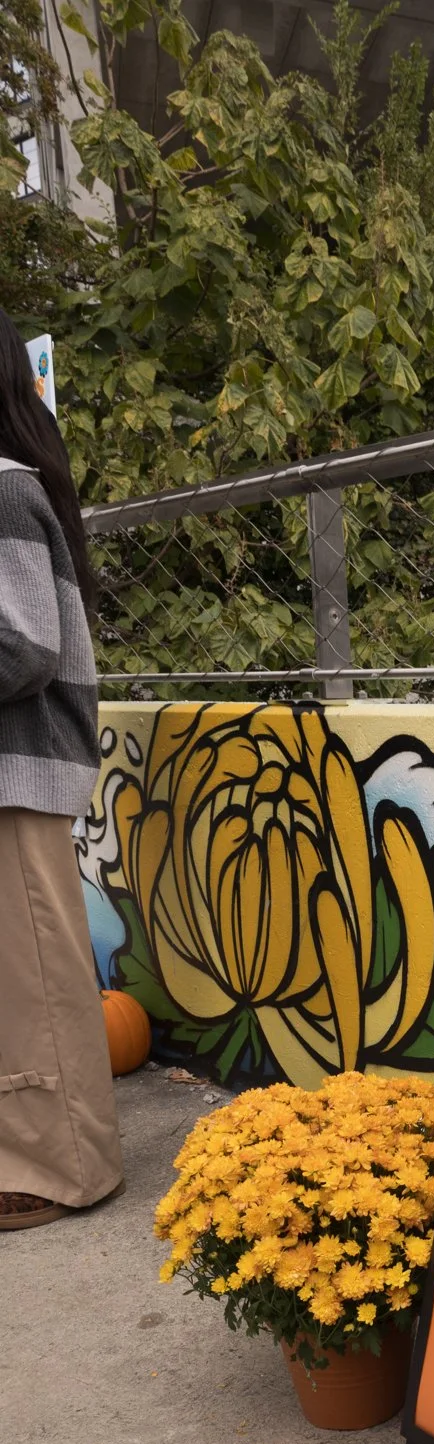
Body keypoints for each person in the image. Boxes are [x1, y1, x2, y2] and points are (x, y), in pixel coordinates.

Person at [0, 306, 123, 1229]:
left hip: (20, 763)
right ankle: (32, 1153)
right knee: (19, 974)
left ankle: (70, 1169)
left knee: (39, 971)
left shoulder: (2, 487)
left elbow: (25, 646)